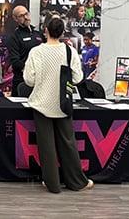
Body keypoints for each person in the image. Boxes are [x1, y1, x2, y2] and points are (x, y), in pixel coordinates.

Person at [23, 16, 94, 194]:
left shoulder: (36, 52)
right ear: (63, 32)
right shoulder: (69, 51)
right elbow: (78, 78)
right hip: (63, 103)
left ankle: (52, 183)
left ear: (46, 30)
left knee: (46, 146)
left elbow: (29, 80)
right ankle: (77, 182)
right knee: (68, 143)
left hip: (41, 103)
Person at [6, 5, 44, 96]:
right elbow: (15, 62)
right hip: (22, 82)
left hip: (40, 82)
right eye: (21, 16)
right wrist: (31, 71)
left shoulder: (38, 34)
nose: (26, 17)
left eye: (26, 14)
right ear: (15, 19)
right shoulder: (14, 37)